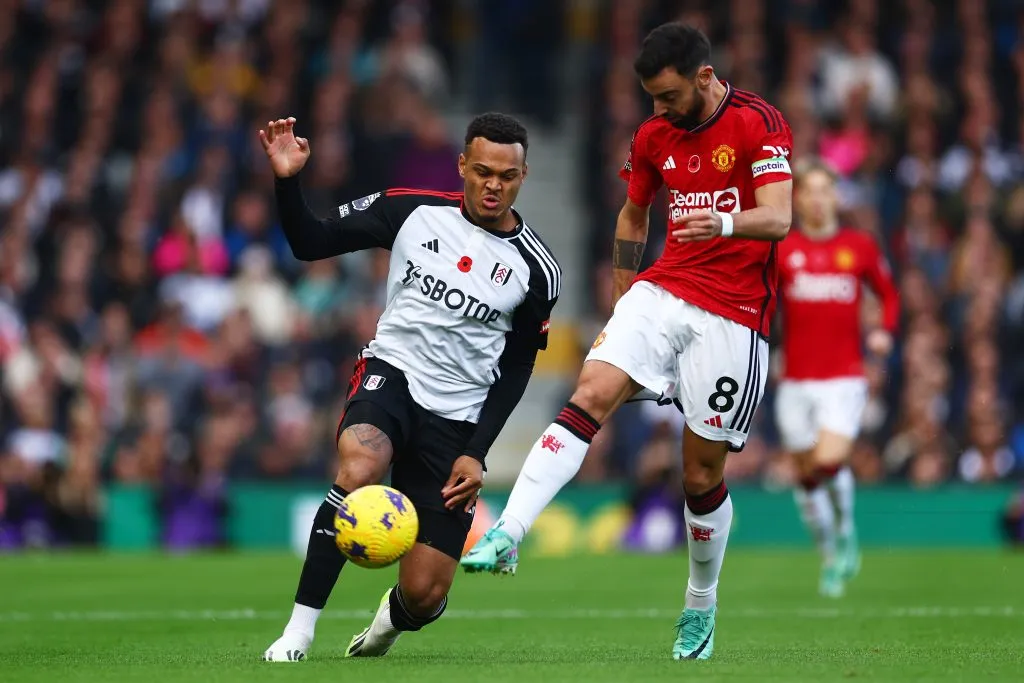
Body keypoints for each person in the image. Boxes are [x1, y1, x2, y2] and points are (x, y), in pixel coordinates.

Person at [462, 23, 793, 661]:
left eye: (667, 97)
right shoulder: (652, 135)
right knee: (592, 389)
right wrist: (624, 295)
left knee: (700, 474)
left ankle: (700, 602)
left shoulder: (759, 122)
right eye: (650, 98)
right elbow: (633, 213)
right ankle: (508, 531)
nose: (657, 110)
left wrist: (721, 220)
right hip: (664, 288)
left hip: (736, 314)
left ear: (703, 77)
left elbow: (778, 217)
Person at [258, 113, 561, 662]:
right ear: (462, 166)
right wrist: (287, 179)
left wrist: (476, 453)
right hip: (392, 374)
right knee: (358, 470)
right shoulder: (410, 210)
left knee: (425, 594)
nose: (494, 185)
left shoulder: (537, 271)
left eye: (508, 176)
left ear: (523, 176)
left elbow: (517, 369)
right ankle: (297, 634)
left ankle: (390, 622)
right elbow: (310, 242)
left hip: (458, 416)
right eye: (483, 171)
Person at [773, 157, 899, 597]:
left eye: (826, 190)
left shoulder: (859, 247)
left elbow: (888, 294)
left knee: (828, 461)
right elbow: (764, 307)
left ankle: (846, 531)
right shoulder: (784, 251)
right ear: (798, 198)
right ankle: (829, 554)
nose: (818, 199)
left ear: (836, 197)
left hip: (844, 376)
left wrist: (883, 331)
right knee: (806, 476)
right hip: (795, 381)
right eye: (809, 190)